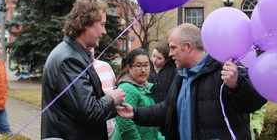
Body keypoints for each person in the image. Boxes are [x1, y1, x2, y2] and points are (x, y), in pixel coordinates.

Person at [116, 23, 267, 140]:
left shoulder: (226, 67)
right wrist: (135, 113)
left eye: (173, 48)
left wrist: (236, 84)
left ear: (188, 47)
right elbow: (168, 109)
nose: (170, 53)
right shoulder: (182, 76)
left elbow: (255, 101)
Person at [41, 0, 126, 140]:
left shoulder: (76, 54)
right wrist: (111, 99)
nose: (104, 31)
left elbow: (81, 103)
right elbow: (89, 112)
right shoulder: (69, 60)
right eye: (102, 25)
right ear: (87, 23)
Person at [112, 48, 164, 140]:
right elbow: (126, 126)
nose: (143, 70)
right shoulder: (126, 88)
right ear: (129, 68)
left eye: (146, 65)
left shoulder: (144, 87)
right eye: (138, 66)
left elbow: (152, 128)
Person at [90, 47, 117, 140]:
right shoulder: (76, 70)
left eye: (91, 47)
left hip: (112, 131)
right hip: (93, 133)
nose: (89, 50)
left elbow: (115, 89)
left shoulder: (106, 66)